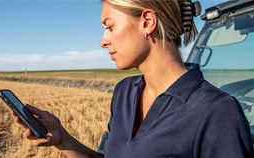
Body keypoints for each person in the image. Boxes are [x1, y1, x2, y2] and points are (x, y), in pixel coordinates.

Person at [13, 0, 254, 157]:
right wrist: (63, 139)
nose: (102, 40)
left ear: (147, 22)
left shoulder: (217, 112)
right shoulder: (124, 92)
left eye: (109, 26)